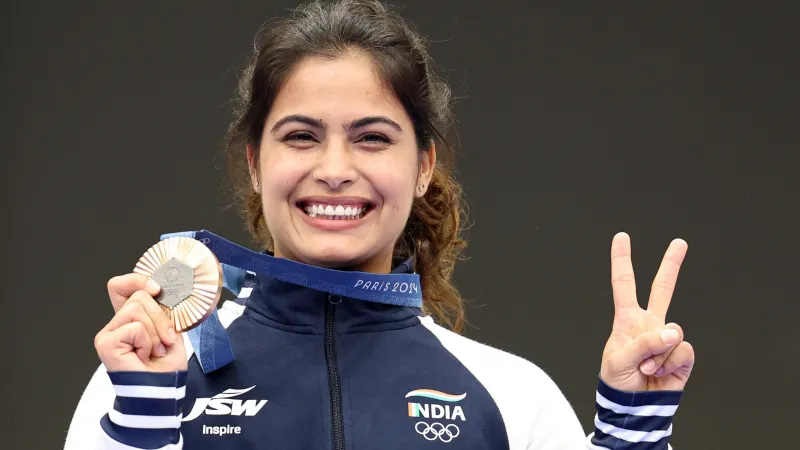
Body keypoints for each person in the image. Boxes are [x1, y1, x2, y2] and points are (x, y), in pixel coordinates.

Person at [64, 1, 695, 449]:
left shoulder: (509, 395)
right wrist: (145, 423)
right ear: (256, 163)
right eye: (302, 136)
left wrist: (631, 429)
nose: (335, 170)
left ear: (423, 167)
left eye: (371, 138)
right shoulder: (148, 377)